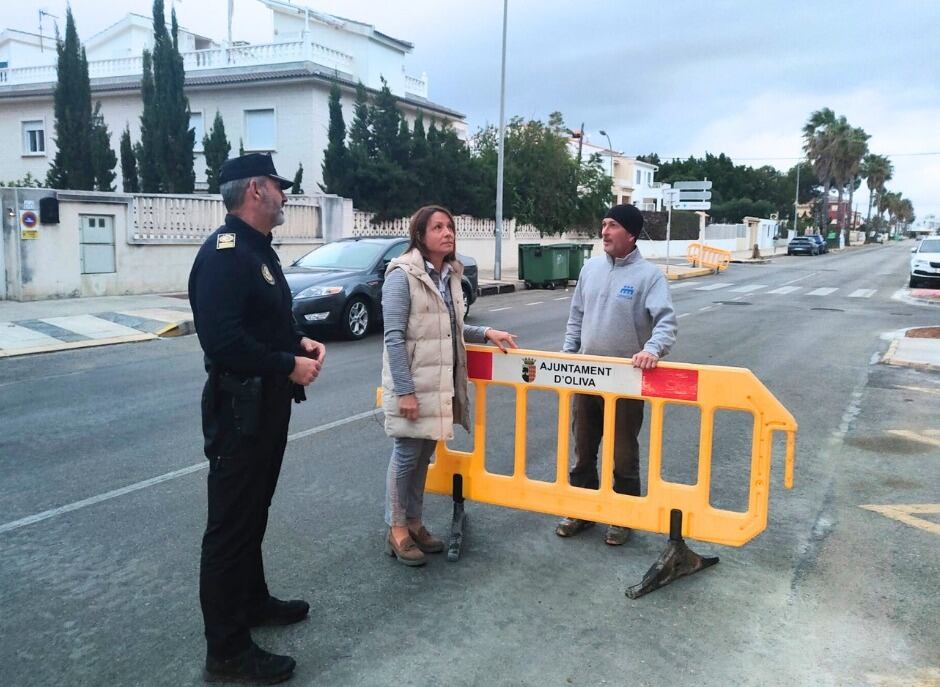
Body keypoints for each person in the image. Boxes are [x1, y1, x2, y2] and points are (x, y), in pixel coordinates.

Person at [188, 153, 326, 684]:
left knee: (253, 512)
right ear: (254, 192)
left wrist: (298, 342)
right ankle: (225, 650)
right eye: (277, 185)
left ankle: (251, 602)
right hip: (239, 409)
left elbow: (264, 322)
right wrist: (286, 363)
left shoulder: (255, 252)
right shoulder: (225, 255)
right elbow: (222, 339)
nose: (284, 194)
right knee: (229, 526)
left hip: (266, 406)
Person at [381, 205, 518, 566]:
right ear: (420, 235)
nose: (447, 233)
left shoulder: (450, 275)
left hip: (440, 383)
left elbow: (451, 327)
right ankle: (396, 528)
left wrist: (485, 332)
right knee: (407, 456)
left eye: (451, 227)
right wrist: (406, 391)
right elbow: (394, 338)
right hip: (415, 384)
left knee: (424, 456)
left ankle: (415, 522)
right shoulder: (402, 275)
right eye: (438, 227)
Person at [555, 203, 677, 546]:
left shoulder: (649, 277)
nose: (604, 231)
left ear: (631, 234)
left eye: (612, 226)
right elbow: (576, 317)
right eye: (603, 224)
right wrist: (568, 357)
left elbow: (666, 323)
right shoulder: (590, 269)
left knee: (624, 454)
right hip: (586, 376)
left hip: (626, 382)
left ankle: (624, 517)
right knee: (583, 449)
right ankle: (582, 511)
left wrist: (651, 350)